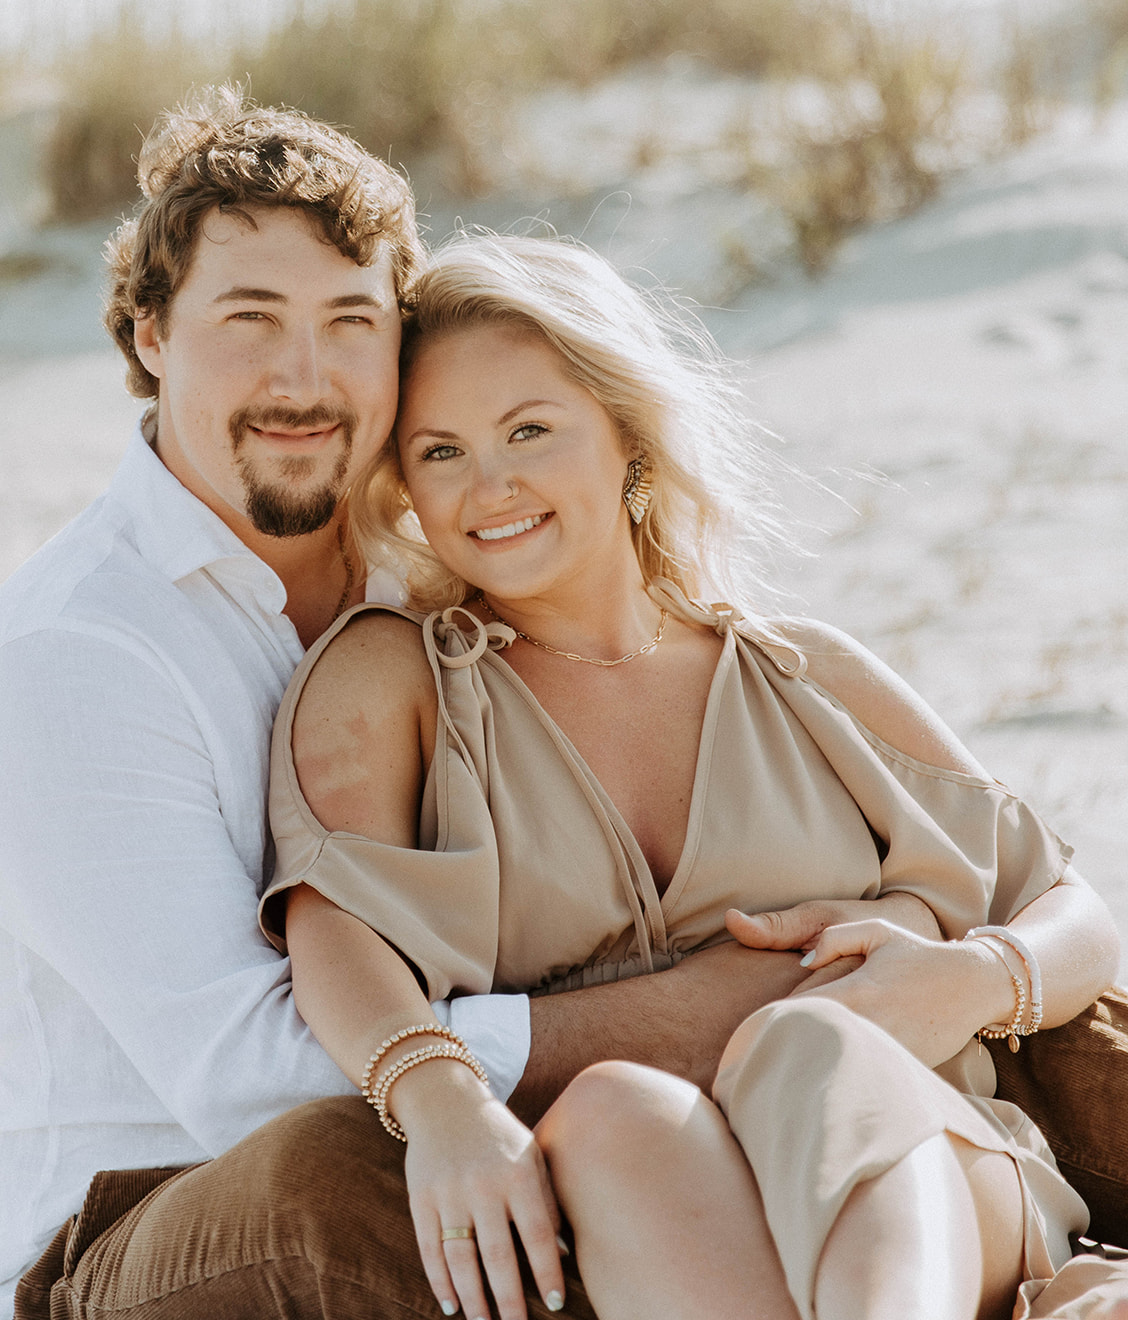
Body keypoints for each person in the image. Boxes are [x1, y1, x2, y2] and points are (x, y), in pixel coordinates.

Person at [0, 91, 919, 1320]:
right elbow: (243, 1081)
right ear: (151, 332)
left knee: (1029, 1042)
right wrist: (705, 1009)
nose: (303, 375)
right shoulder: (79, 654)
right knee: (351, 1164)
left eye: (350, 321)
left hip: (488, 1125)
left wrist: (924, 973)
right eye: (249, 317)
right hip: (144, 1228)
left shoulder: (436, 573)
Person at [262, 233, 1123, 1320]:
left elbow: (1073, 909)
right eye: (440, 452)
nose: (491, 486)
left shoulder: (801, 674)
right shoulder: (404, 678)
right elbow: (330, 928)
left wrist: (974, 977)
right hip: (656, 1203)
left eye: (530, 429)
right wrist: (437, 1101)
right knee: (613, 1106)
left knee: (810, 1040)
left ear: (627, 433)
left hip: (936, 1170)